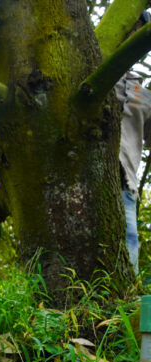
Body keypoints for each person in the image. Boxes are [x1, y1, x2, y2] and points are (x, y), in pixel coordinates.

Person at [116, 11, 151, 275]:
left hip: (125, 181)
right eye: (129, 28)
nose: (132, 36)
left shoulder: (142, 92)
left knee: (128, 247)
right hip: (80, 173)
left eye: (139, 33)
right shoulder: (86, 75)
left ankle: (123, 315)